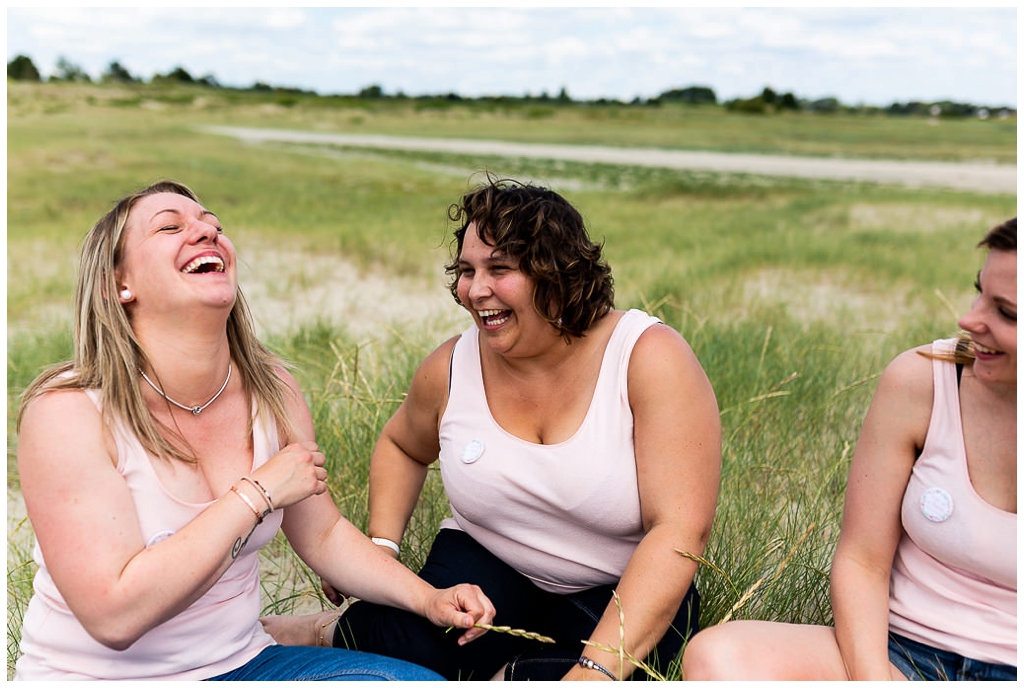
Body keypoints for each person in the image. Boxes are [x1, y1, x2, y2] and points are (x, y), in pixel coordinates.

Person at [13, 180, 497, 681]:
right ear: (120, 284)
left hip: (246, 662)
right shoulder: (69, 412)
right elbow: (113, 615)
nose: (205, 231)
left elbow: (325, 534)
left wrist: (430, 599)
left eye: (212, 225)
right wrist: (258, 492)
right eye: (170, 226)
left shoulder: (273, 391)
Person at [262, 176, 722, 680]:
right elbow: (402, 445)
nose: (475, 290)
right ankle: (324, 631)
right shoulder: (452, 366)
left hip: (615, 585)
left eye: (499, 269)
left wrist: (593, 669)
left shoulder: (648, 356)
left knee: (631, 668)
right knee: (402, 644)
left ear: (557, 274)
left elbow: (679, 530)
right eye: (466, 271)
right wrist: (382, 549)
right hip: (486, 566)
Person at [681, 219, 1016, 681]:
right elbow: (862, 559)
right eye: (978, 292)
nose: (969, 319)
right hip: (897, 655)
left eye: (1007, 313)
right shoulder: (923, 381)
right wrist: (873, 677)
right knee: (718, 656)